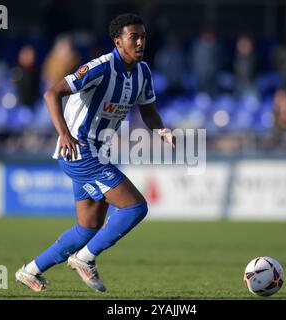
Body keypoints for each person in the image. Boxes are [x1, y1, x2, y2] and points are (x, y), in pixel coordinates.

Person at [15, 13, 174, 293]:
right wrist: (64, 133)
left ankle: (30, 271)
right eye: (133, 37)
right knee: (135, 207)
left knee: (88, 226)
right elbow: (52, 93)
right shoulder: (100, 67)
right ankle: (85, 258)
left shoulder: (143, 72)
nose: (140, 42)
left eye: (143, 37)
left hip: (98, 152)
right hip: (80, 150)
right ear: (118, 41)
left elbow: (149, 113)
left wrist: (161, 130)